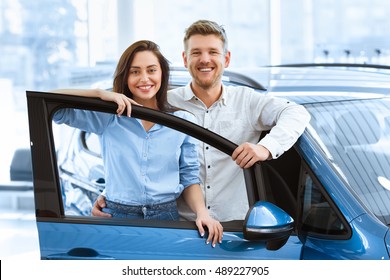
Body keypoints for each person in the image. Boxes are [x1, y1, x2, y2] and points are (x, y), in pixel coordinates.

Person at [92, 20, 311, 222]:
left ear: (226, 59)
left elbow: (297, 113)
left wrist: (265, 148)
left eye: (213, 52)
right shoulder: (163, 105)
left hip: (235, 227)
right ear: (185, 59)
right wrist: (112, 196)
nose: (204, 59)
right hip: (180, 226)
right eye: (196, 52)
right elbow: (137, 149)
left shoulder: (247, 102)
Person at [51, 40, 223, 247]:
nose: (144, 78)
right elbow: (54, 104)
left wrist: (202, 213)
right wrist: (99, 94)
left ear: (162, 74)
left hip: (165, 217)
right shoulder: (108, 118)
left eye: (152, 70)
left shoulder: (183, 122)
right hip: (116, 215)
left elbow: (189, 176)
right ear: (125, 76)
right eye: (135, 72)